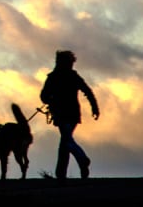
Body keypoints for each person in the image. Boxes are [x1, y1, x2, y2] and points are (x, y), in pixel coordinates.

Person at [39, 50, 100, 180]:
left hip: (64, 113)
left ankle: (80, 160)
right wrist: (94, 107)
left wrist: (94, 107)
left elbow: (44, 96)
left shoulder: (55, 77)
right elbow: (88, 91)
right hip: (68, 113)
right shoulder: (68, 76)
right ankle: (62, 173)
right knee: (65, 142)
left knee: (66, 141)